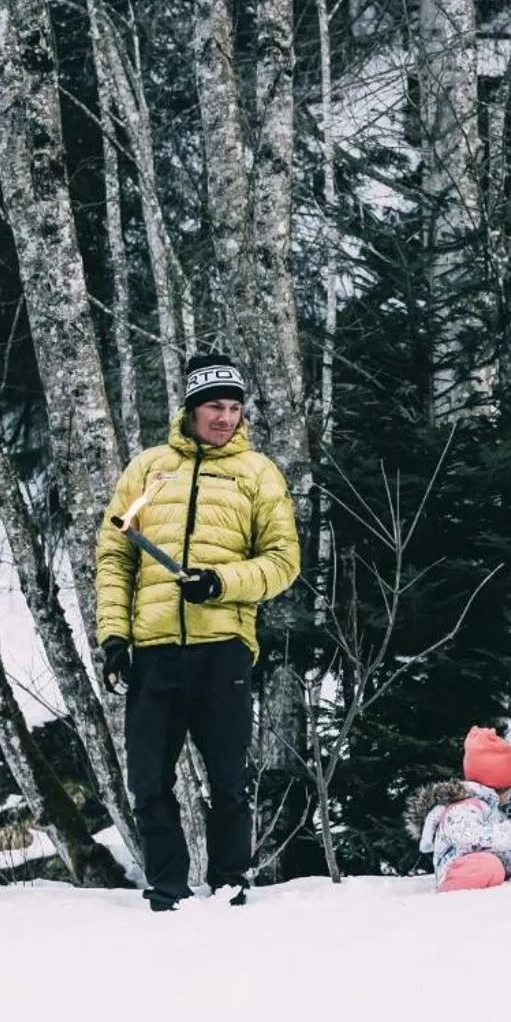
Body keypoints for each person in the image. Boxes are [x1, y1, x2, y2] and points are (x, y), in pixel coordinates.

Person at [95, 353, 301, 911]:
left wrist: (219, 584)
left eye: (234, 408)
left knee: (228, 782)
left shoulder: (257, 473)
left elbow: (283, 561)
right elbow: (116, 553)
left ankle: (231, 883)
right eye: (215, 407)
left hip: (223, 650)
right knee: (148, 783)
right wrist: (115, 636)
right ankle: (167, 889)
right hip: (154, 652)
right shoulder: (147, 470)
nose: (225, 418)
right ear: (190, 409)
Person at [406, 727, 511, 892]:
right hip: (457, 870)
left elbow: (493, 847)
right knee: (489, 866)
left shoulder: (491, 809)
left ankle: (500, 874)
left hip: (477, 865)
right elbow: (472, 839)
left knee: (495, 866)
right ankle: (453, 885)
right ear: (500, 787)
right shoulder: (463, 808)